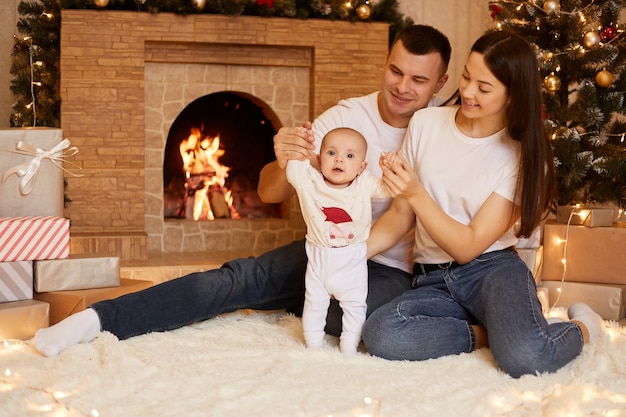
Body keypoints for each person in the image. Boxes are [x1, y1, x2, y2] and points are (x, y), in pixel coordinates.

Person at [34, 24, 452, 357]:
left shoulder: (438, 133)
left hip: (387, 270)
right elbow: (271, 193)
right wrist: (282, 158)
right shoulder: (345, 117)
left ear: (440, 82)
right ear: (385, 62)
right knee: (239, 279)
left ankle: (300, 298)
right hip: (322, 251)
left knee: (347, 320)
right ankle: (96, 320)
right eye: (395, 71)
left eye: (418, 79)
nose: (402, 87)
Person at [361, 30, 603, 378]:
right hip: (432, 278)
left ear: (512, 95)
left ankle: (584, 327)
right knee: (382, 333)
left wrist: (416, 193)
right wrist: (349, 255)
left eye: (484, 87)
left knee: (525, 358)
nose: (468, 92)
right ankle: (489, 333)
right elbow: (401, 215)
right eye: (465, 76)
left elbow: (468, 247)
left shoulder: (523, 156)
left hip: (492, 271)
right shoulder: (426, 123)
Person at [286, 127, 389, 354]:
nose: (339, 159)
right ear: (319, 158)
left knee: (355, 306)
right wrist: (301, 149)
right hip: (319, 258)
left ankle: (349, 345)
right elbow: (294, 172)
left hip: (352, 259)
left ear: (362, 167)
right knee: (314, 302)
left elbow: (386, 189)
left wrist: (389, 170)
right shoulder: (310, 182)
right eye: (331, 153)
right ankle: (312, 343)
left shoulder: (363, 183)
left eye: (349, 156)